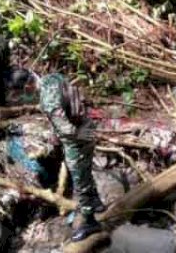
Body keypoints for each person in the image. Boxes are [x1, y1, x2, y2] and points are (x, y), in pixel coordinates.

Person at [39, 73, 106, 242]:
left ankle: (90, 222)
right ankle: (97, 202)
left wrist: (74, 134)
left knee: (79, 181)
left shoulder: (47, 96)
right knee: (85, 170)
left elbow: (65, 127)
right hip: (86, 127)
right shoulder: (52, 78)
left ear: (27, 87)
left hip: (78, 139)